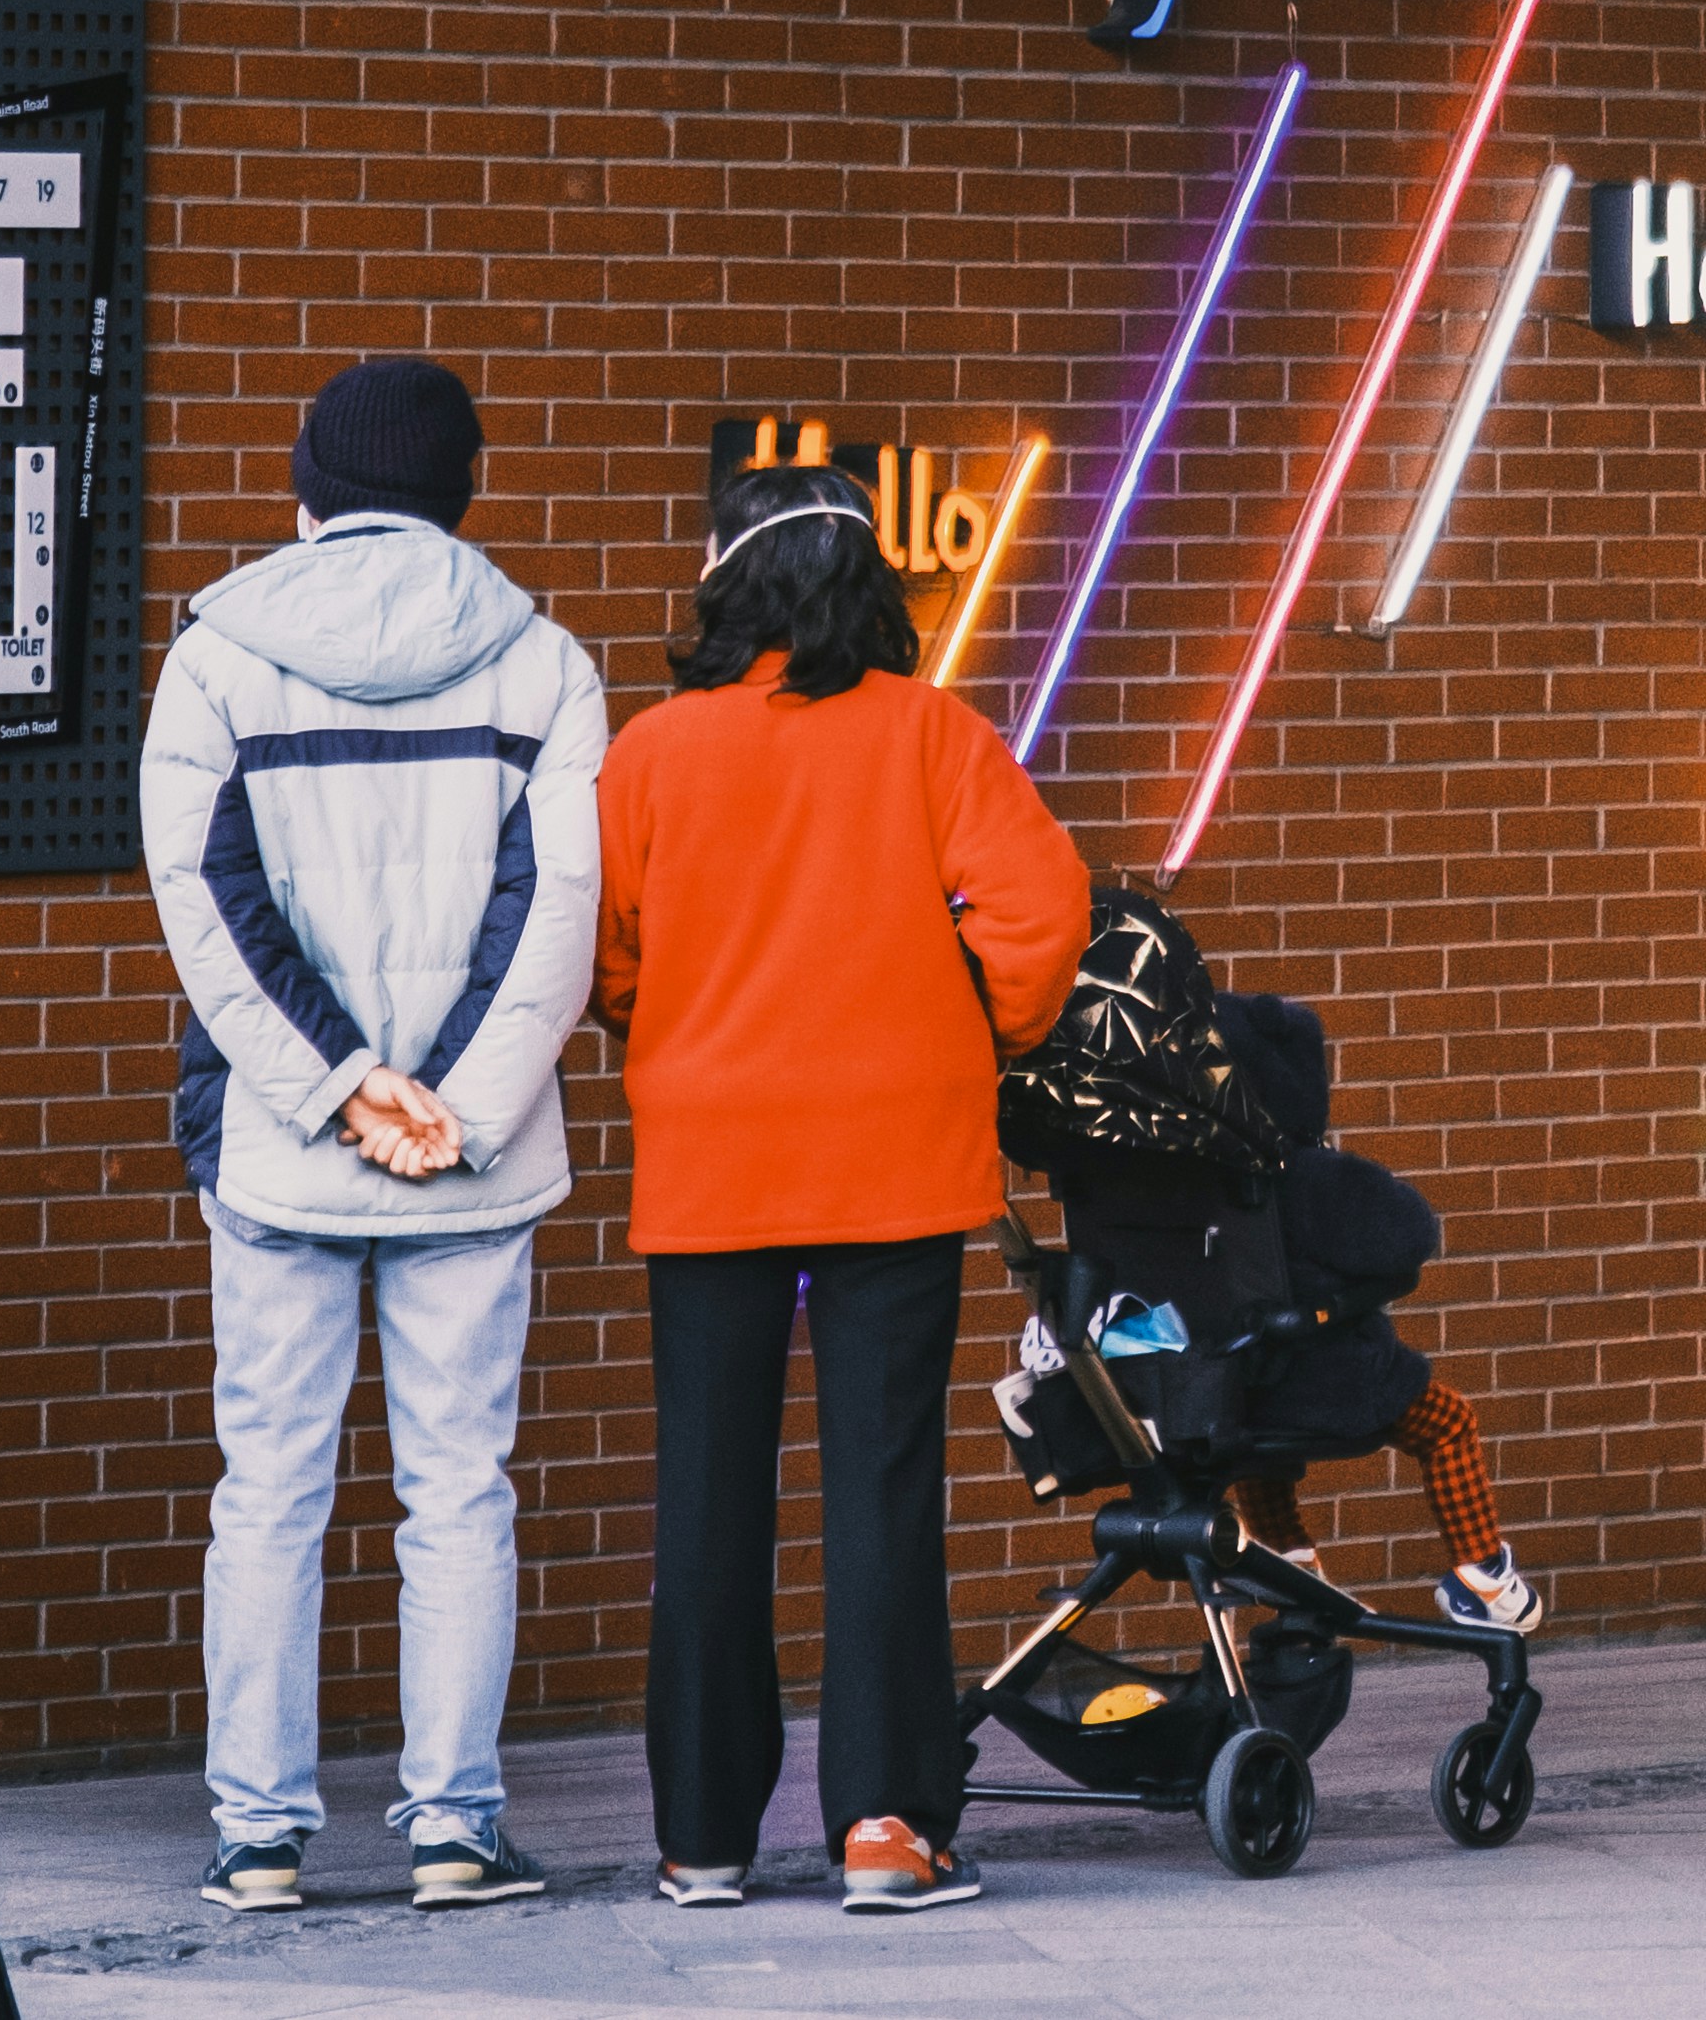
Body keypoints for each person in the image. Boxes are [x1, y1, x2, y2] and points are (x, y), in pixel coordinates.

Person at [140, 358, 607, 1914]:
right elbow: (551, 914)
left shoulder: (216, 658)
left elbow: (207, 905)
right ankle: (453, 1831)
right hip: (470, 1163)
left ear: (307, 490)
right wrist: (450, 1107)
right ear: (463, 489)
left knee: (266, 1486)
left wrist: (336, 1087)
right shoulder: (543, 664)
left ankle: (260, 1837)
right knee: (459, 1491)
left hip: (283, 1151)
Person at [593, 458, 1089, 1918]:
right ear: (867, 581)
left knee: (707, 1493)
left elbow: (607, 957)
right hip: (894, 1161)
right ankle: (885, 1826)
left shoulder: (654, 751)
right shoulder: (936, 737)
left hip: (711, 1162)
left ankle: (702, 1838)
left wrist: (669, 1022)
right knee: (882, 1491)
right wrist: (970, 1031)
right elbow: (1042, 917)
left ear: (723, 579)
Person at [1214, 988, 1545, 1636]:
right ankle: (1483, 1575)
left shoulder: (1193, 1181)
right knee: (1447, 1423)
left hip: (1226, 1389)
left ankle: (1285, 1554)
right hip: (1336, 1379)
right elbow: (1410, 1232)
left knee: (1258, 1451)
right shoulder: (1313, 1175)